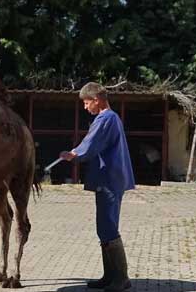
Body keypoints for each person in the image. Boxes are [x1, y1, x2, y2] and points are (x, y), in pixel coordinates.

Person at [60, 82, 134, 292]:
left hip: (109, 180)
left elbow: (90, 145)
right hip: (109, 179)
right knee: (104, 226)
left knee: (108, 226)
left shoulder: (106, 118)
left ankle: (121, 278)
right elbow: (93, 142)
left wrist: (73, 154)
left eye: (86, 103)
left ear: (97, 100)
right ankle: (109, 276)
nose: (85, 108)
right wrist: (77, 150)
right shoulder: (111, 118)